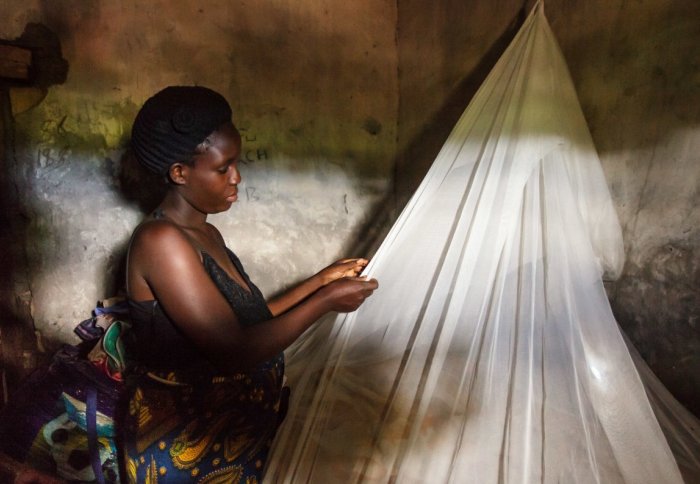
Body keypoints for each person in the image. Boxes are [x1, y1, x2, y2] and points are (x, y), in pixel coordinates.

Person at [122, 85, 378, 483]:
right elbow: (234, 350)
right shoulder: (161, 242)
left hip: (233, 439)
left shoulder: (205, 235)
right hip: (187, 453)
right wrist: (325, 300)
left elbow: (251, 318)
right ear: (179, 173)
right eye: (223, 168)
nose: (236, 177)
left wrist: (320, 280)